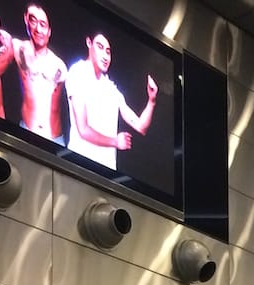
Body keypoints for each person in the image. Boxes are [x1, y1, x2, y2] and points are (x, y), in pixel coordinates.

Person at [65, 32, 159, 170]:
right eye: (100, 47)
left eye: (108, 51)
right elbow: (83, 129)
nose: (105, 56)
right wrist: (115, 141)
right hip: (79, 166)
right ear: (89, 43)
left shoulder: (111, 89)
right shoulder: (78, 73)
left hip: (106, 174)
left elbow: (141, 127)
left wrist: (152, 100)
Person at [13, 4, 67, 143]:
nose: (38, 29)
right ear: (26, 19)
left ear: (49, 31)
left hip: (54, 139)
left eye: (43, 24)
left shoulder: (59, 66)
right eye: (33, 21)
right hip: (26, 131)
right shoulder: (18, 48)